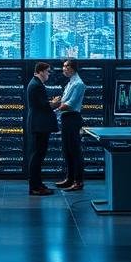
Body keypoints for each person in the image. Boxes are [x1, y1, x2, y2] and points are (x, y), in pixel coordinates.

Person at [51, 58, 86, 191]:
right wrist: (58, 103)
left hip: (72, 119)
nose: (63, 69)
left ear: (73, 68)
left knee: (75, 151)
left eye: (66, 66)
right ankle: (69, 179)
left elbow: (70, 105)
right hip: (66, 119)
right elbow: (65, 101)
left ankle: (78, 182)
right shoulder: (71, 82)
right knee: (67, 150)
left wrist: (53, 108)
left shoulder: (78, 84)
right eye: (63, 66)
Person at [25, 62, 57, 196]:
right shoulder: (36, 85)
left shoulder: (35, 84)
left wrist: (51, 103)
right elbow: (44, 106)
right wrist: (56, 103)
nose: (49, 74)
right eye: (48, 71)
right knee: (37, 156)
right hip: (39, 125)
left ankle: (38, 184)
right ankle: (35, 187)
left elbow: (41, 104)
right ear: (41, 71)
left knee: (38, 155)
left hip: (38, 124)